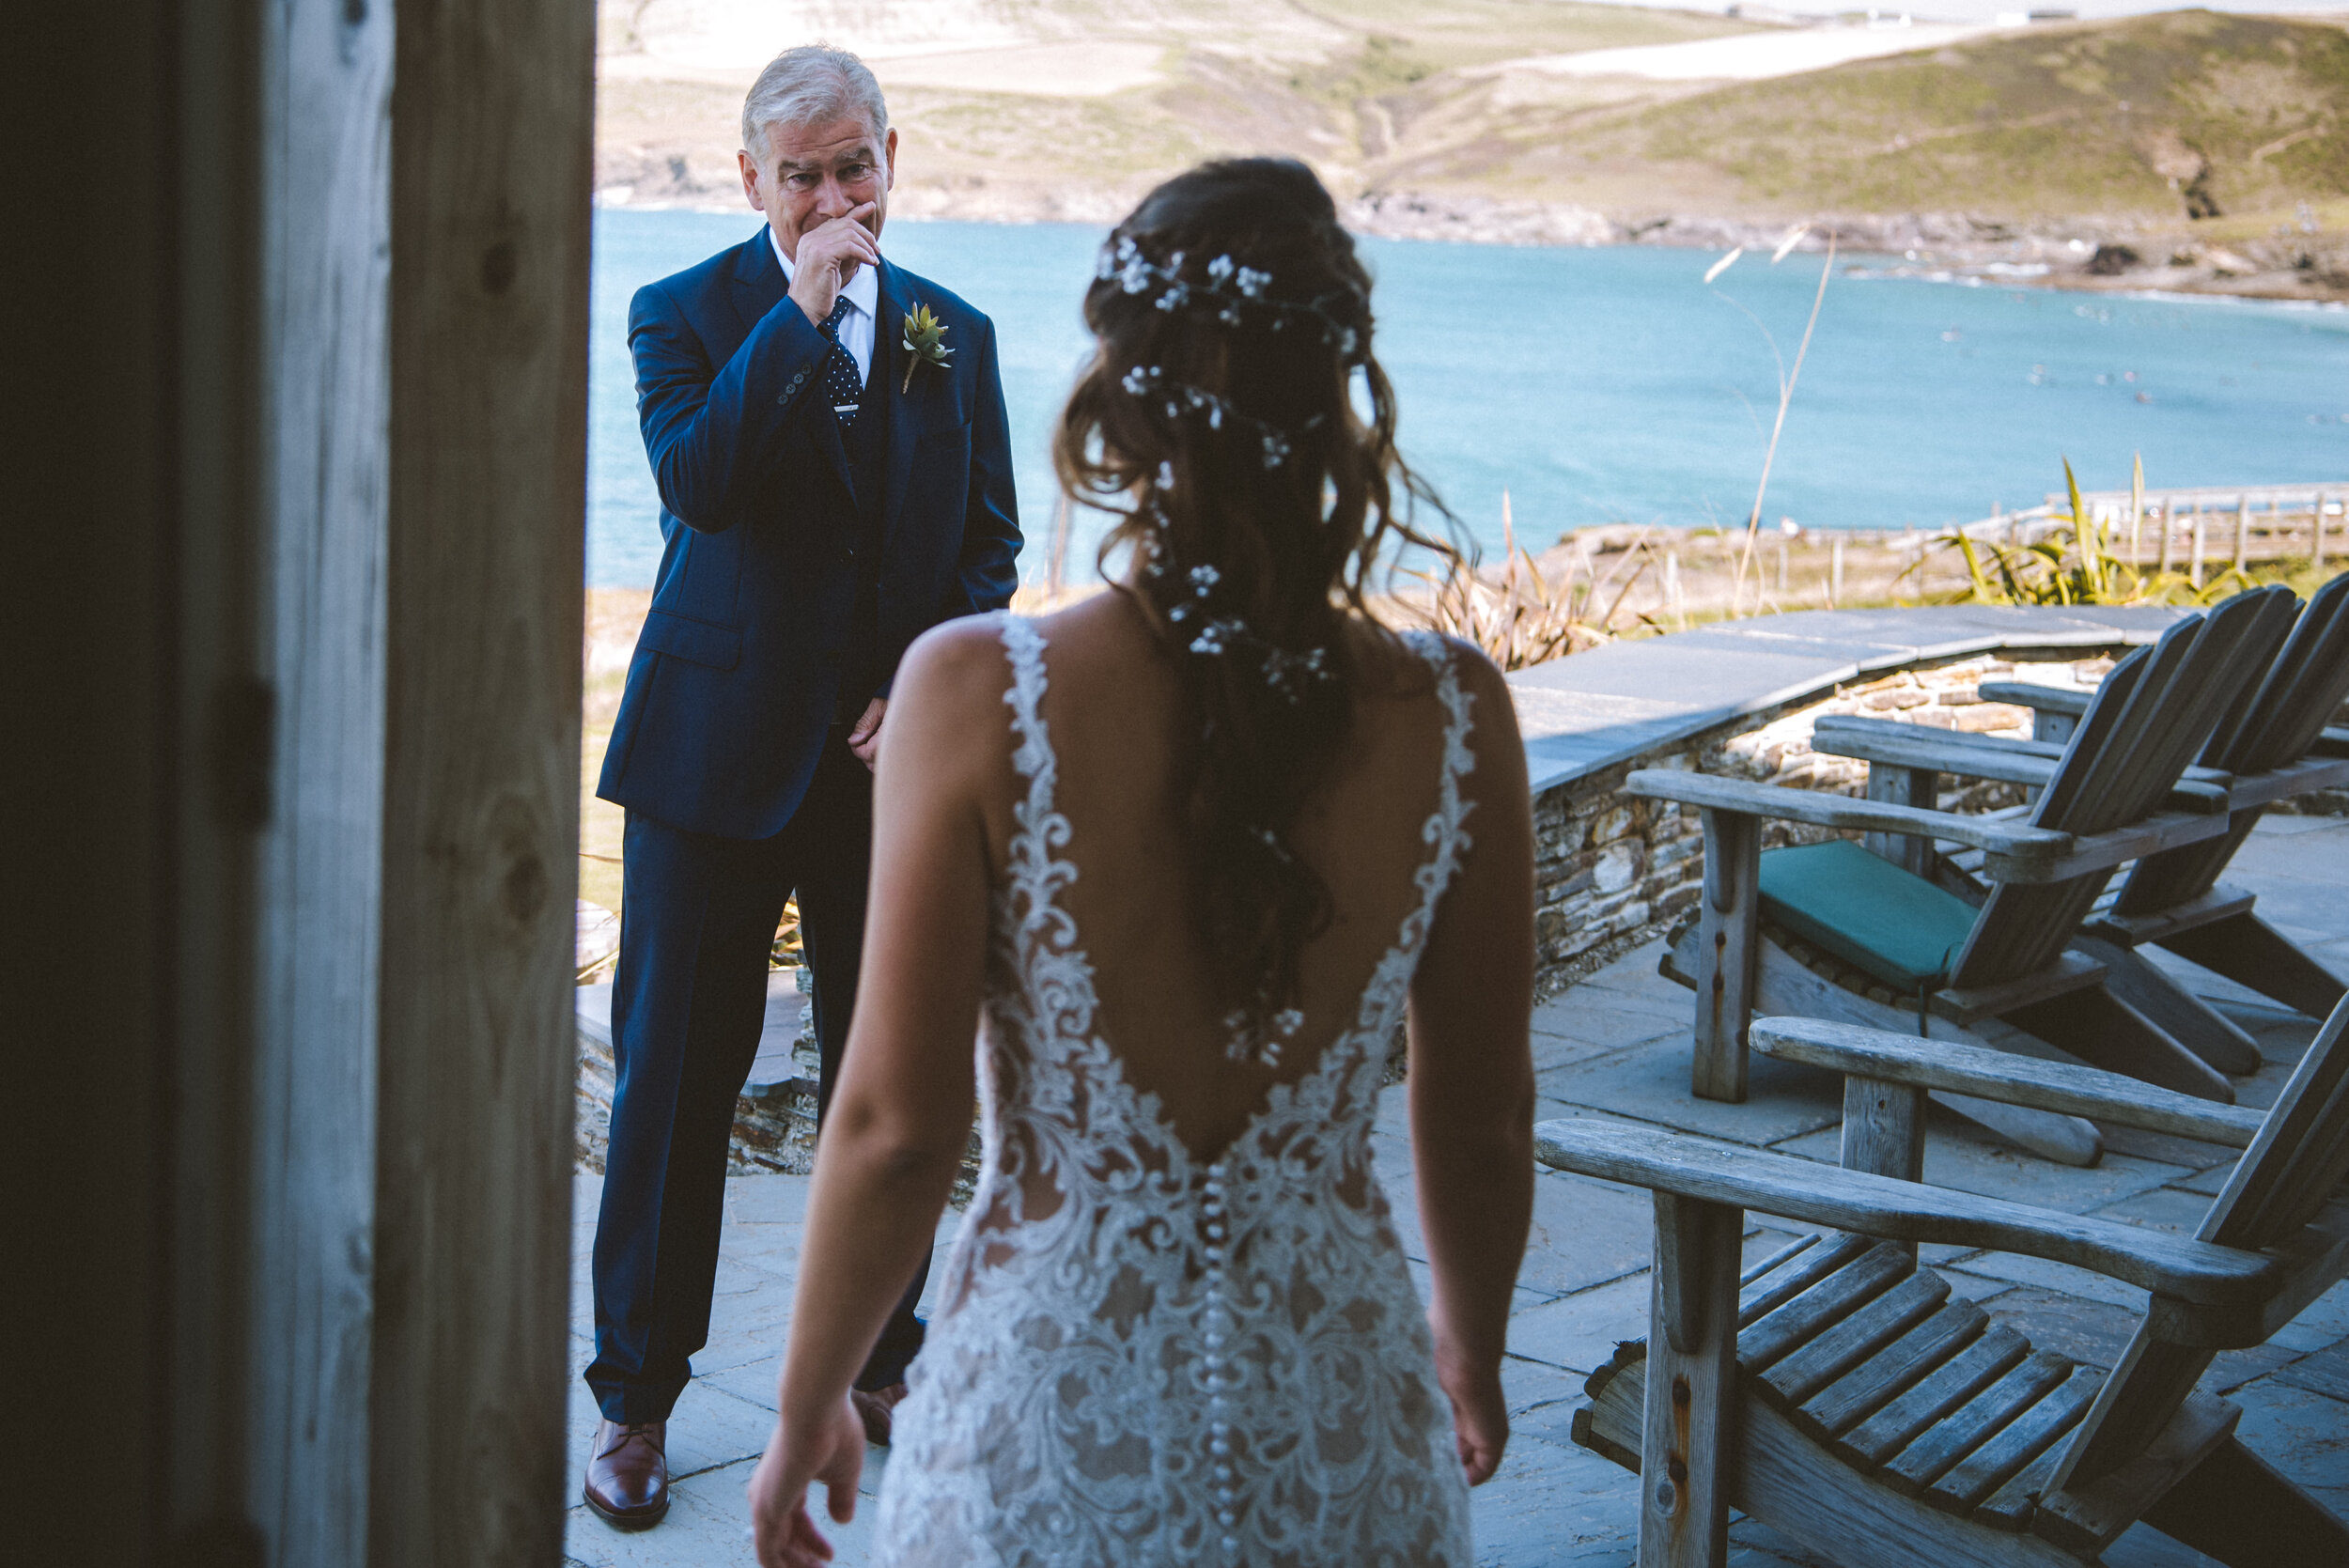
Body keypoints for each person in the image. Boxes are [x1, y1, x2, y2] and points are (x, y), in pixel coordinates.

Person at [748, 158, 1535, 1567]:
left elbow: (894, 1126)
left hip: (1052, 1426)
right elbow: (1480, 1116)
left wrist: (808, 1401)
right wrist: (1470, 1350)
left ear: (1117, 397)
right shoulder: (1457, 712)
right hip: (1337, 1418)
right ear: (1336, 390)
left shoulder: (976, 690)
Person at [581, 45, 1020, 1529]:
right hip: (709, 765)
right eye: (806, 173)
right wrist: (802, 308)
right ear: (751, 175)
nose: (838, 197)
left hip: (882, 773)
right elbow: (699, 485)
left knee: (877, 1074)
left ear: (894, 153)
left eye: (857, 166)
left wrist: (927, 676)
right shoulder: (684, 313)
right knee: (670, 1086)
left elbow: (990, 542)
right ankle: (637, 1401)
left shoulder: (959, 331)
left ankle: (883, 1362)